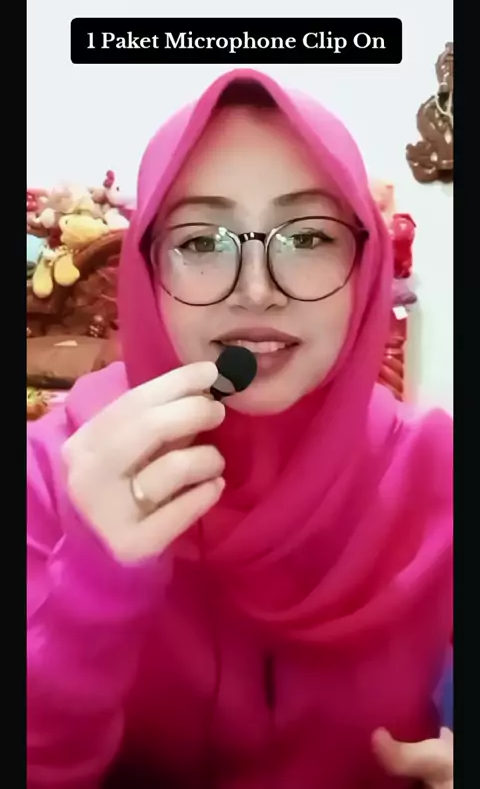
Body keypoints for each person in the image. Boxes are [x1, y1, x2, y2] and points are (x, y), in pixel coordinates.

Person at [27, 69, 453, 789]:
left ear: (367, 265)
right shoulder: (50, 470)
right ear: (147, 270)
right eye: (201, 242)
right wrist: (94, 582)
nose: (257, 289)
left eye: (308, 235)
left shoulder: (438, 471)